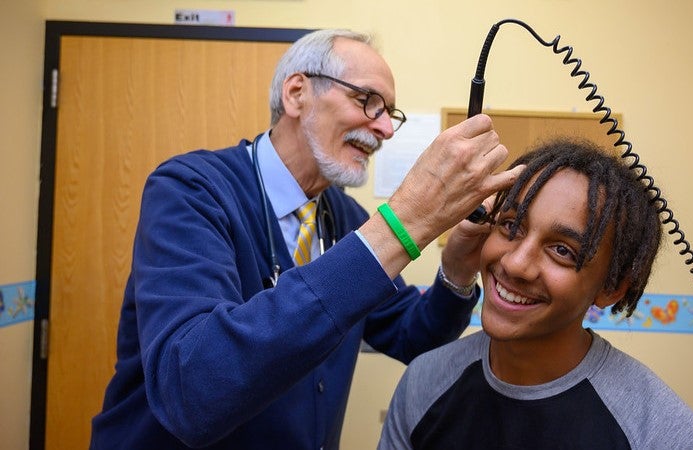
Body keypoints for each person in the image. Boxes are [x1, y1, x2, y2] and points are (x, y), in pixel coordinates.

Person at [89, 29, 522, 449]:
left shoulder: (346, 218)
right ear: (296, 93)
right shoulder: (190, 192)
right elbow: (193, 389)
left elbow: (413, 336)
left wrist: (459, 270)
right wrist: (405, 220)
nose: (386, 129)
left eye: (391, 112)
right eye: (368, 101)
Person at [378, 139, 693, 449]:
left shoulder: (661, 435)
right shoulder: (422, 386)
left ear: (611, 288)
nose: (515, 264)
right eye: (511, 226)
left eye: (561, 250)